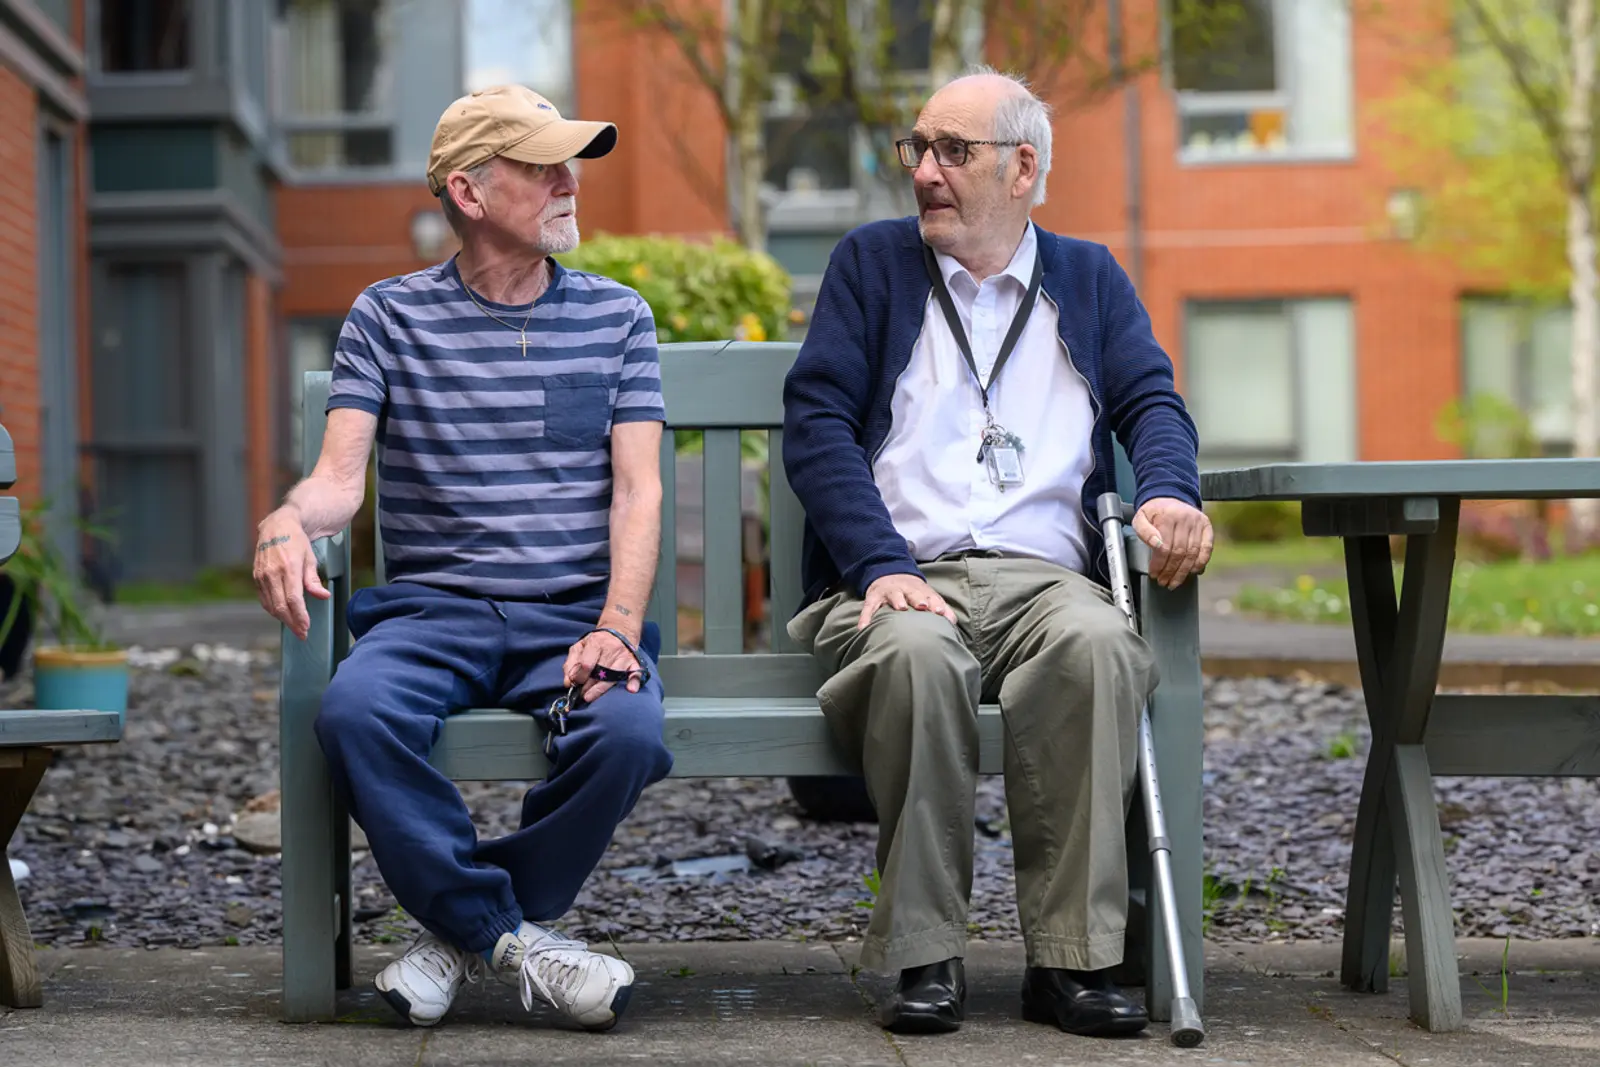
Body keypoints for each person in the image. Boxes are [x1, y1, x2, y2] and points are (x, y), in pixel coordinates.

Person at [780, 68, 1213, 1039]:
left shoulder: (1088, 277)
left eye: (952, 151)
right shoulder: (871, 264)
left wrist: (1170, 493)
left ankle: (1072, 960)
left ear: (1022, 168)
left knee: (1099, 648)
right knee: (917, 655)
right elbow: (816, 425)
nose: (924, 171)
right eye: (918, 149)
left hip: (1045, 583)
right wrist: (880, 564)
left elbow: (1151, 401)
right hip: (896, 573)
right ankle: (924, 953)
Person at [252, 84, 672, 1031]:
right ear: (469, 194)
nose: (571, 184)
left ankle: (464, 931)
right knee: (352, 711)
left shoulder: (617, 317)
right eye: (544, 167)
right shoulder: (386, 317)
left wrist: (616, 623)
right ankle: (514, 941)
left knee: (628, 735)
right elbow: (338, 481)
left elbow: (638, 491)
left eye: (570, 165)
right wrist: (285, 519)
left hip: (573, 617)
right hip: (433, 614)